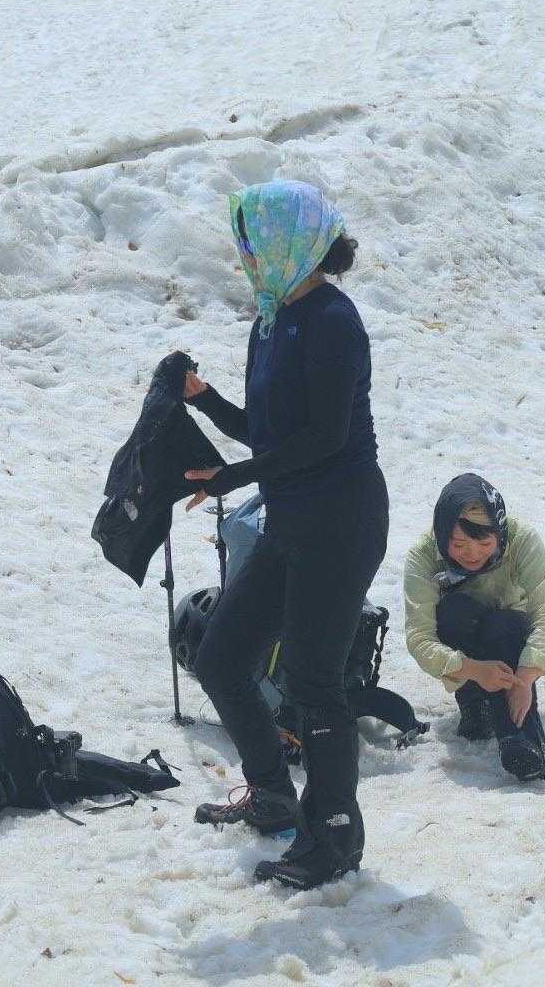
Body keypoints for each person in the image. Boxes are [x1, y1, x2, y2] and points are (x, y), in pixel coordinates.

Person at [180, 179, 388, 890]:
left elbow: (325, 437)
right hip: (292, 518)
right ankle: (272, 795)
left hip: (341, 520)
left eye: (253, 241)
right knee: (222, 657)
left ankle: (334, 837)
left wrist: (233, 479)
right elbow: (267, 433)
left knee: (313, 683)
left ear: (289, 242)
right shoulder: (270, 322)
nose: (245, 255)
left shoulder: (333, 320)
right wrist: (203, 399)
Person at [402, 474, 545, 781]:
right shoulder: (423, 555)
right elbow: (419, 639)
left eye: (484, 543)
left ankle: (522, 740)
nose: (472, 553)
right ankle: (474, 705)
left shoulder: (522, 540)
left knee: (503, 624)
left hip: (510, 637)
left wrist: (525, 678)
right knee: (454, 611)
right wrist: (474, 670)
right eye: (459, 544)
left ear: (499, 534)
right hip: (462, 639)